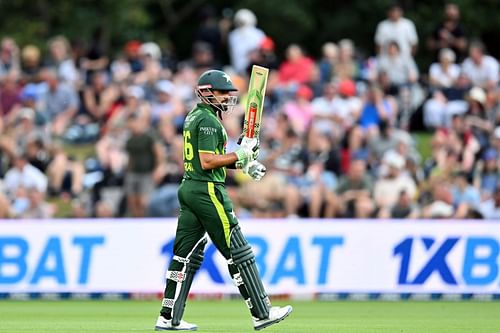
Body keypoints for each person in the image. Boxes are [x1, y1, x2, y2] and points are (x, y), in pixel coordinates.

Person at [154, 69, 292, 331]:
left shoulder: (195, 116)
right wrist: (240, 156)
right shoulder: (208, 121)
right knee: (237, 249)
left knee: (186, 255)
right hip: (207, 191)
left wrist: (244, 164)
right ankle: (262, 312)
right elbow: (208, 162)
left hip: (191, 187)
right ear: (206, 93)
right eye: (222, 93)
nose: (228, 98)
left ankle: (168, 316)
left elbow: (211, 159)